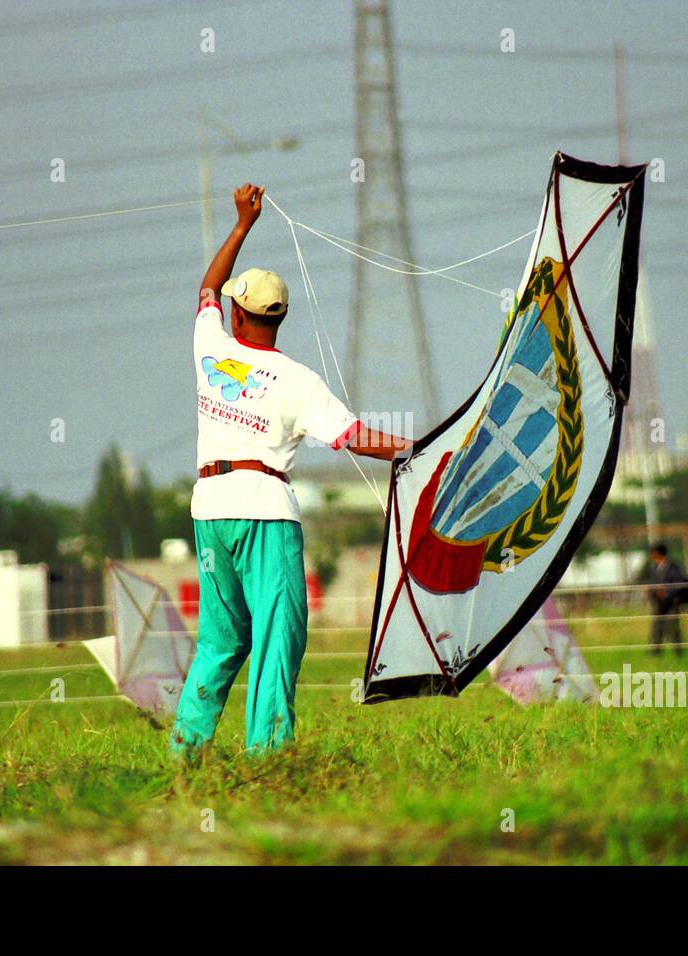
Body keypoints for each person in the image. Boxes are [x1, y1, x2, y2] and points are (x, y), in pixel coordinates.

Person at [173, 182, 410, 757]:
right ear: (280, 318)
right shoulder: (298, 381)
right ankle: (268, 758)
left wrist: (241, 224)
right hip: (265, 514)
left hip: (209, 510)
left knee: (220, 641)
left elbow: (205, 287)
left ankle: (186, 752)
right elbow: (355, 437)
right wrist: (419, 445)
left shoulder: (210, 349)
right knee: (278, 637)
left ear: (236, 311)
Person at [642, 543, 688, 656]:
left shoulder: (672, 567)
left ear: (658, 554)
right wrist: (651, 590)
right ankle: (654, 652)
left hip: (671, 604)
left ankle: (678, 653)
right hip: (660, 604)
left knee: (673, 629)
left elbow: (679, 584)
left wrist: (666, 592)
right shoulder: (656, 568)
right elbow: (654, 583)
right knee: (657, 628)